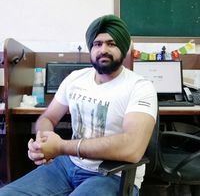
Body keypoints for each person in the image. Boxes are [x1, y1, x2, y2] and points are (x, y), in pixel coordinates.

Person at [0, 14, 157, 196]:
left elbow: (132, 148)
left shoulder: (140, 86)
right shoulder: (76, 78)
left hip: (113, 174)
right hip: (67, 165)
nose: (103, 49)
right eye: (97, 44)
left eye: (111, 44)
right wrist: (44, 141)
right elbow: (48, 117)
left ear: (122, 48)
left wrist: (60, 147)